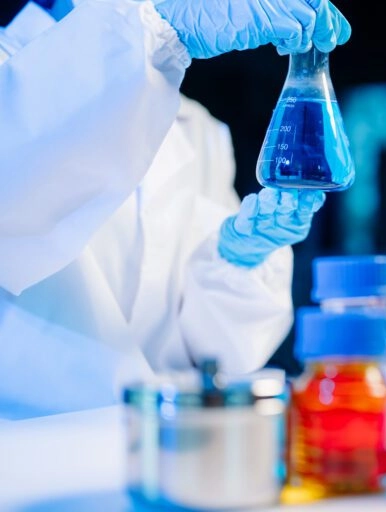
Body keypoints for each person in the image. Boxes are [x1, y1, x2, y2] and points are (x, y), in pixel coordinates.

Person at [0, 0, 351, 419]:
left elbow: (211, 356)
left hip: (158, 442)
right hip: (22, 456)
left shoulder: (196, 127)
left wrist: (238, 259)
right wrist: (159, 28)